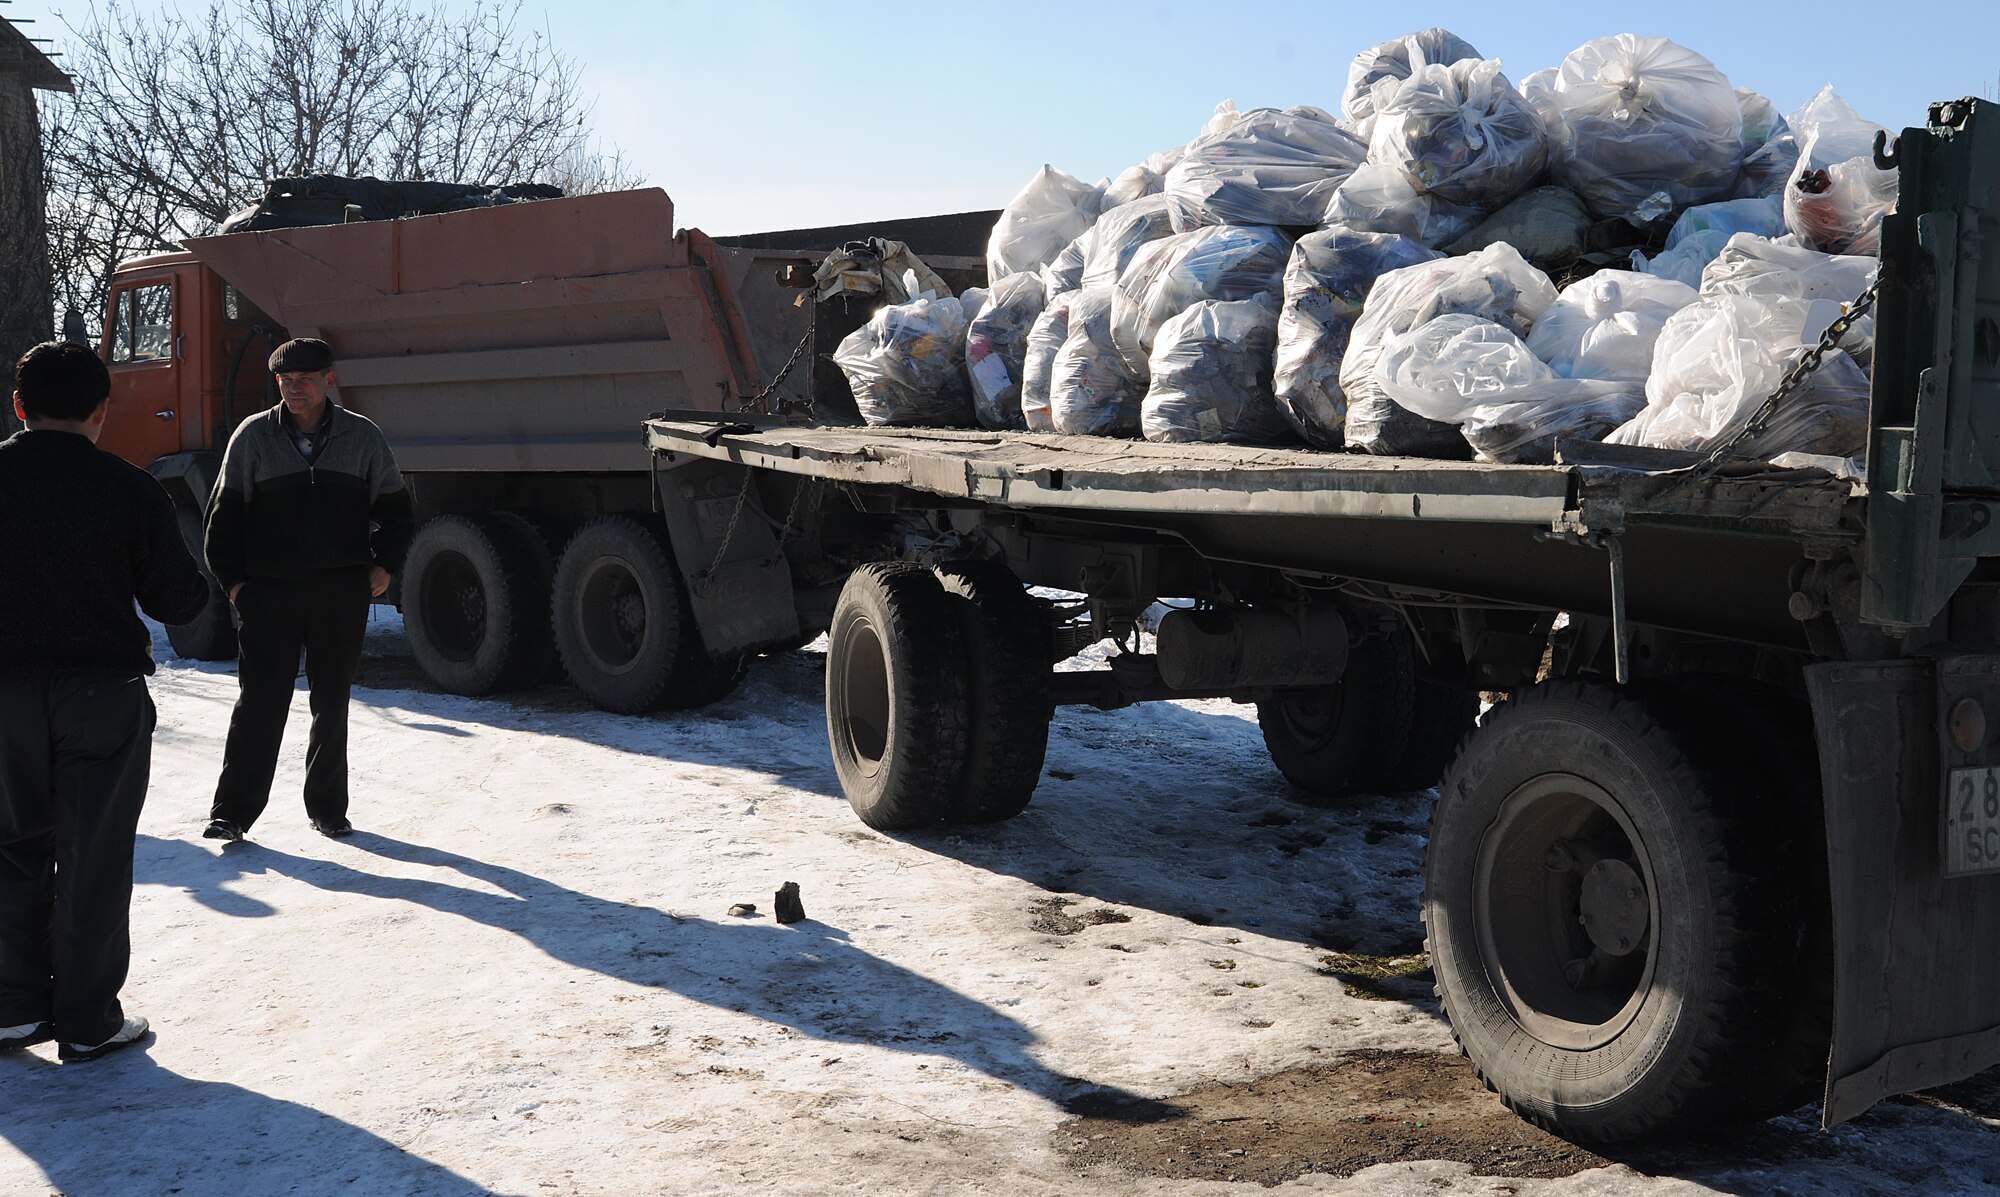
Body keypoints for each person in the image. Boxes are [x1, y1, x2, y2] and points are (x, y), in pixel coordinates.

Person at [0, 341, 208, 1062]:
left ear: (19, 406)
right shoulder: (129, 488)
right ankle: (87, 1018)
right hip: (100, 694)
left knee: (10, 844)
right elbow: (178, 599)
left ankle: (12, 1005)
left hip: (4, 694)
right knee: (93, 854)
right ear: (100, 410)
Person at [203, 338, 414, 843]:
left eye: (304, 380)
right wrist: (236, 587)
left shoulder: (363, 437)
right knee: (260, 703)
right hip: (268, 594)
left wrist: (386, 566)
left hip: (340, 592)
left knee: (332, 702)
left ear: (329, 380)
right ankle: (232, 812)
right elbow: (221, 521)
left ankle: (328, 810)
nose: (294, 389)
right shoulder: (252, 438)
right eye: (285, 381)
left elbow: (396, 510)